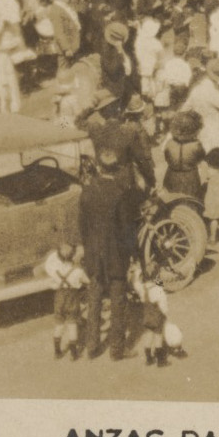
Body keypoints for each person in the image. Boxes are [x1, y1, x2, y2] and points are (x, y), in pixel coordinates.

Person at [79, 145, 144, 360]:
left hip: (94, 255)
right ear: (116, 169)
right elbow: (127, 229)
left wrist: (88, 249)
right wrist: (133, 254)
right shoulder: (120, 194)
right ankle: (117, 349)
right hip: (116, 255)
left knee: (94, 297)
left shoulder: (87, 192)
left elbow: (82, 226)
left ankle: (91, 345)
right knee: (118, 300)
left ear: (98, 167)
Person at [42, 242, 87, 360]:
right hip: (72, 298)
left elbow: (51, 282)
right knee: (72, 324)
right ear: (73, 257)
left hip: (59, 298)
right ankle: (74, 353)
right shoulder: (78, 271)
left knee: (59, 324)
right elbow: (87, 281)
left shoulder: (54, 270)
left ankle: (57, 351)